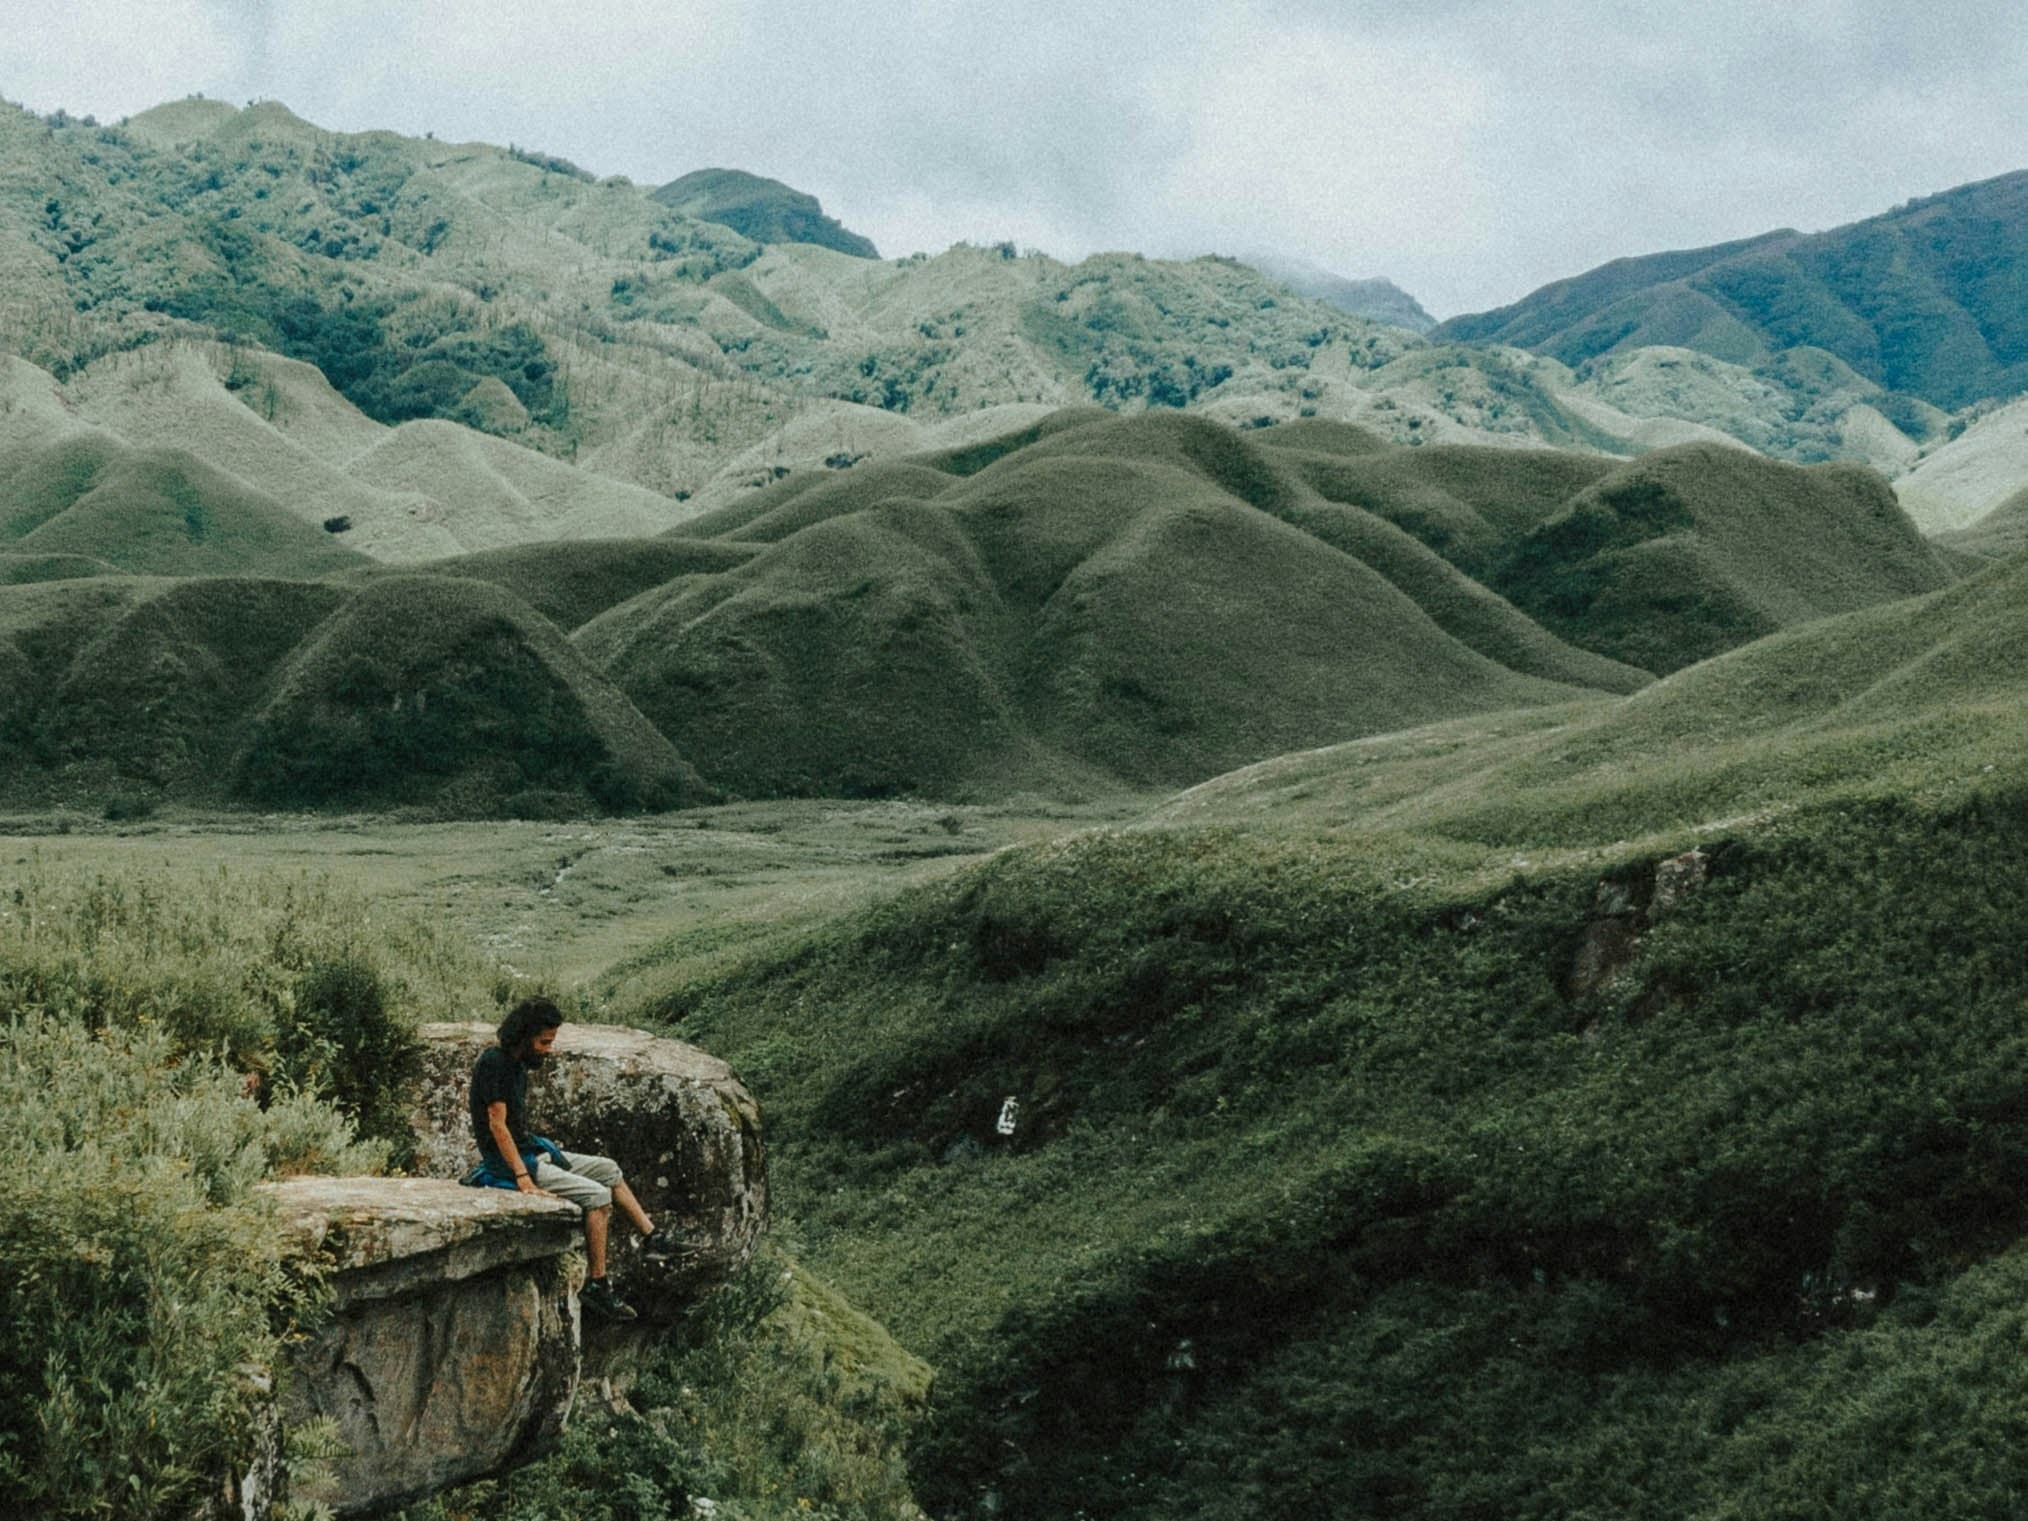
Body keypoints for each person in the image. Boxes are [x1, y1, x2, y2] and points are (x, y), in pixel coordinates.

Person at [469, 996, 670, 1321]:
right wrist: (522, 1177)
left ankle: (653, 1237)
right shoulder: (494, 1063)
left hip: (532, 1151)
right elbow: (497, 1125)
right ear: (524, 1036)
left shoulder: (517, 1065)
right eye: (544, 1042)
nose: (549, 1049)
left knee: (609, 1170)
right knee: (598, 1197)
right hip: (509, 1162)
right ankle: (597, 1284)